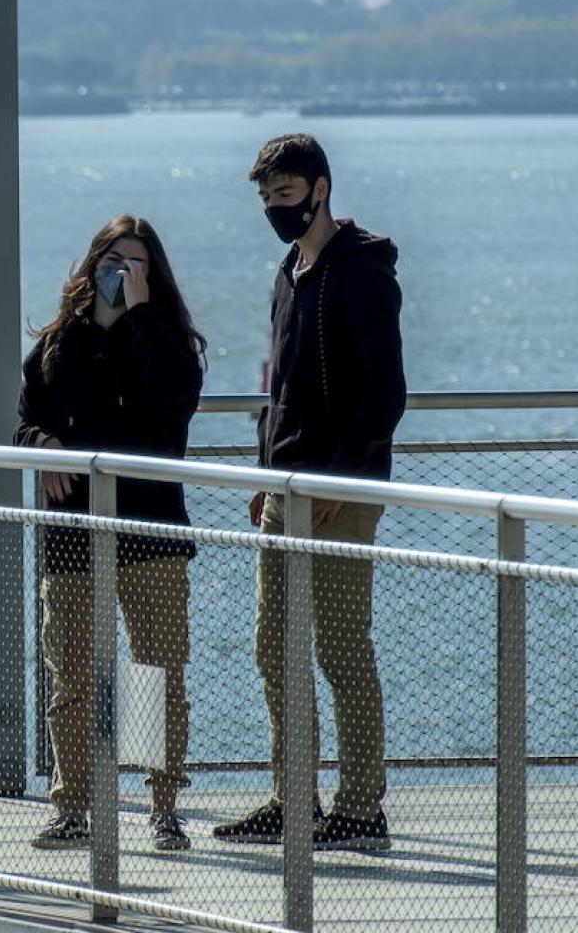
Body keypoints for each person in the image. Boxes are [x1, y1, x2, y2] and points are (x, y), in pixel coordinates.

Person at [213, 134, 404, 853]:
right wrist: (266, 474)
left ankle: (360, 808)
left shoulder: (361, 272)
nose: (275, 208)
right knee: (274, 649)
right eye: (266, 197)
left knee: (341, 649)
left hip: (340, 488)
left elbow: (384, 390)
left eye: (285, 195)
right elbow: (278, 385)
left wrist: (342, 475)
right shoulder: (288, 272)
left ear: (320, 189)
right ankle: (292, 799)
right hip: (286, 487)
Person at [17, 215, 206, 854]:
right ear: (89, 262)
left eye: (135, 263)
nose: (119, 273)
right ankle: (73, 806)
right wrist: (43, 447)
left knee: (152, 675)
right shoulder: (58, 341)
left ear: (154, 273)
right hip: (72, 531)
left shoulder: (168, 338)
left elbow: (173, 401)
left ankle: (162, 807)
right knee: (73, 676)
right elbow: (25, 423)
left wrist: (143, 316)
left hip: (148, 530)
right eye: (110, 259)